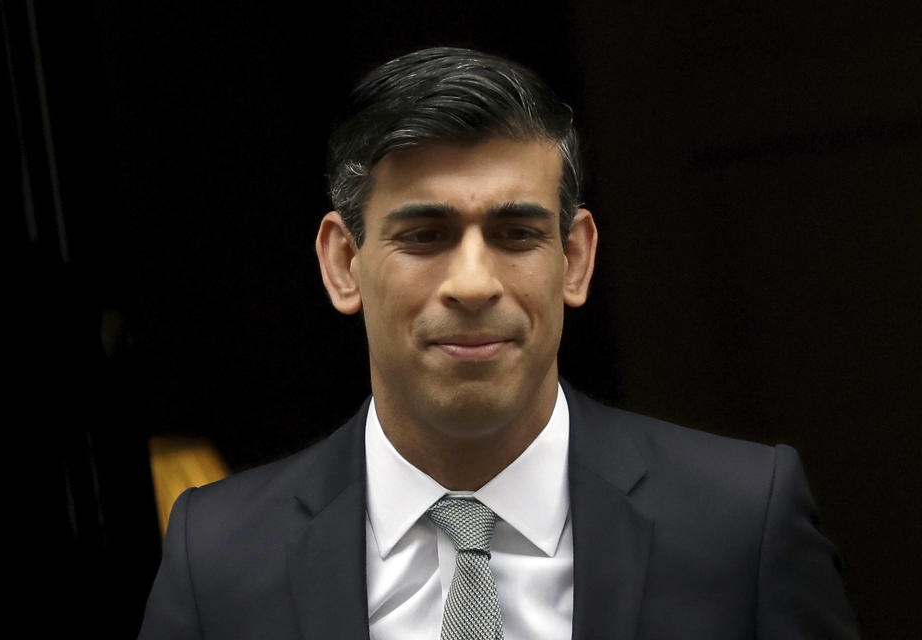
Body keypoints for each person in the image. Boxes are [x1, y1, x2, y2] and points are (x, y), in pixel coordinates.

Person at [137, 47, 860, 639]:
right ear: (341, 263)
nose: (475, 282)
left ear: (574, 257)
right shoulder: (221, 555)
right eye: (425, 236)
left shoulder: (741, 519)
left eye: (517, 234)